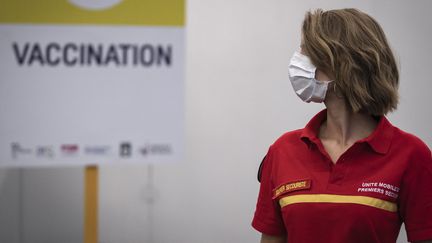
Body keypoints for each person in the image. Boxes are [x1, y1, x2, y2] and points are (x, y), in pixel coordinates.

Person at [252, 8, 432, 243]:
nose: (297, 62)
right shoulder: (283, 150)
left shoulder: (411, 154)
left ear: (343, 62)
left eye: (307, 53)